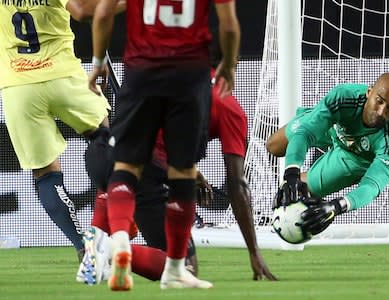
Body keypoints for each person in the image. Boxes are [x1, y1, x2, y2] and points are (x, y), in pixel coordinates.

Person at [76, 50, 277, 284]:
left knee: (117, 172)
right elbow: (237, 184)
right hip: (141, 171)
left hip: (100, 153)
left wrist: (191, 173)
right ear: (232, 64)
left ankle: (98, 239)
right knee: (185, 268)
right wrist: (254, 251)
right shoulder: (228, 107)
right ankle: (107, 248)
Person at [89, 0, 240, 291]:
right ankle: (173, 270)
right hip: (189, 78)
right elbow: (230, 25)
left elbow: (103, 12)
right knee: (183, 173)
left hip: (141, 72)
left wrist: (97, 64)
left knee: (126, 166)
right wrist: (229, 65)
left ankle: (119, 239)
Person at [0, 0, 122, 262]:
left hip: (19, 87)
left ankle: (83, 247)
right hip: (63, 76)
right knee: (104, 138)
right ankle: (113, 219)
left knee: (45, 173)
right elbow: (84, 11)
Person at [267, 73, 389, 236]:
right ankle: (314, 116)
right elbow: (306, 133)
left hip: (355, 157)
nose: (381, 111)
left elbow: (371, 186)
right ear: (369, 92)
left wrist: (336, 206)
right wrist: (290, 174)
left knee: (300, 191)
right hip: (332, 127)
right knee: (274, 146)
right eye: (379, 100)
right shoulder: (345, 97)